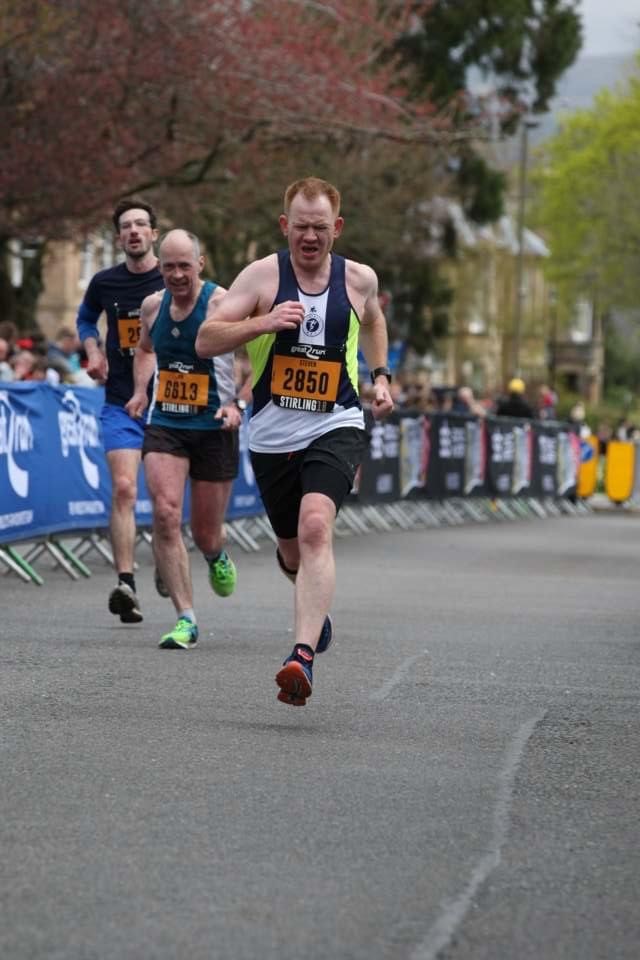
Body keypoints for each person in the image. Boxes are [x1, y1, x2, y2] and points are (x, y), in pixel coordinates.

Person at [195, 176, 394, 706]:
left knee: (314, 527)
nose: (310, 237)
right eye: (301, 227)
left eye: (320, 229)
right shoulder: (262, 275)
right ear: (285, 226)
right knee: (290, 551)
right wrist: (262, 323)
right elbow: (206, 337)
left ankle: (300, 656)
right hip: (271, 432)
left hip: (336, 422)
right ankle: (314, 607)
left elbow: (374, 322)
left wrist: (381, 375)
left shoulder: (358, 279)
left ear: (338, 228)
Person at [125, 229, 242, 650]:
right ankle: (186, 618)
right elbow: (144, 350)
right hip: (166, 425)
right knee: (165, 513)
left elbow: (253, 357)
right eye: (168, 266)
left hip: (214, 427)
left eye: (184, 266)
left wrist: (237, 404)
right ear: (160, 267)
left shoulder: (222, 304)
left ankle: (215, 555)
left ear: (201, 264)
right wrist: (140, 391)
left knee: (206, 532)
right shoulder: (152, 307)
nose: (176, 275)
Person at [76, 199, 165, 625]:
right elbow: (84, 319)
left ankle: (170, 557)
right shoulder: (104, 283)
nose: (133, 231)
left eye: (141, 225)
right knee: (126, 488)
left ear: (154, 234)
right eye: (126, 226)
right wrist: (93, 349)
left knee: (166, 500)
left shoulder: (175, 277)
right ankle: (126, 583)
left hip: (170, 405)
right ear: (118, 238)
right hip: (120, 402)